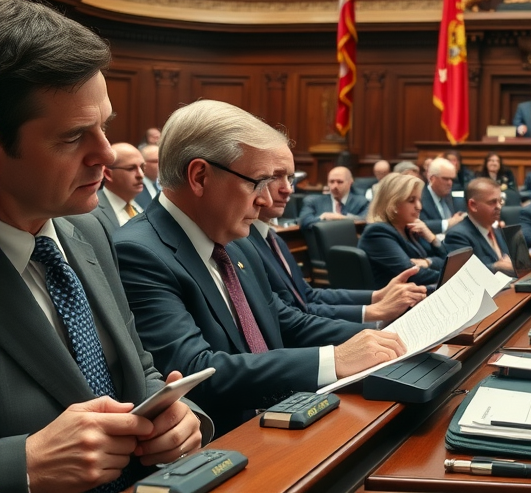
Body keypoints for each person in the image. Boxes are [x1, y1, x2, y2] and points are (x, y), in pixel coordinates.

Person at [0, 0, 208, 493]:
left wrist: (179, 418)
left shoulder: (91, 229)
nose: (106, 154)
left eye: (105, 127)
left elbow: (138, 368)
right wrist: (21, 465)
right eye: (74, 137)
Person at [114, 100, 406, 436]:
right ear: (199, 177)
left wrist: (385, 336)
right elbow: (195, 371)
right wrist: (334, 360)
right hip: (229, 443)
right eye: (256, 182)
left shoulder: (236, 238)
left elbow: (284, 320)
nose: (266, 200)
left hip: (286, 420)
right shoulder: (139, 252)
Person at [246, 147, 427, 324]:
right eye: (275, 177)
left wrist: (376, 296)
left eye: (290, 179)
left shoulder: (275, 239)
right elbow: (292, 317)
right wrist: (374, 312)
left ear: (350, 183)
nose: (289, 189)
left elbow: (308, 295)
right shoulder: (246, 245)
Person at [358, 173, 448, 289]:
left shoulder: (409, 228)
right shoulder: (377, 233)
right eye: (411, 200)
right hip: (395, 298)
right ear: (393, 204)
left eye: (419, 200)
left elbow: (446, 262)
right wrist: (449, 276)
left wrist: (431, 245)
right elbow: (412, 274)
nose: (419, 207)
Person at [443, 178, 515, 276]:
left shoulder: (498, 231)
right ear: (473, 205)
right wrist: (496, 266)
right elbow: (466, 274)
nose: (499, 207)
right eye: (492, 202)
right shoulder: (457, 236)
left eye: (500, 201)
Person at [91, 142, 146, 234]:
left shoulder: (144, 202)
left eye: (142, 167)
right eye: (131, 168)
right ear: (108, 174)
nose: (140, 175)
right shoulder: (92, 212)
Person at [298, 166, 369, 230]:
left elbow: (367, 220)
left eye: (340, 182)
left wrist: (341, 218)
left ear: (350, 182)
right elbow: (304, 222)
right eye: (331, 182)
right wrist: (322, 218)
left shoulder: (362, 202)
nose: (335, 186)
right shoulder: (313, 201)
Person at [419, 158, 467, 235]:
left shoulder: (459, 201)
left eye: (452, 179)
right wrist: (447, 223)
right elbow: (419, 224)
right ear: (432, 179)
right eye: (445, 179)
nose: (450, 183)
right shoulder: (419, 199)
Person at [137, 143, 160, 209]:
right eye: (156, 161)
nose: (161, 164)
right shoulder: (134, 187)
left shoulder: (161, 185)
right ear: (143, 164)